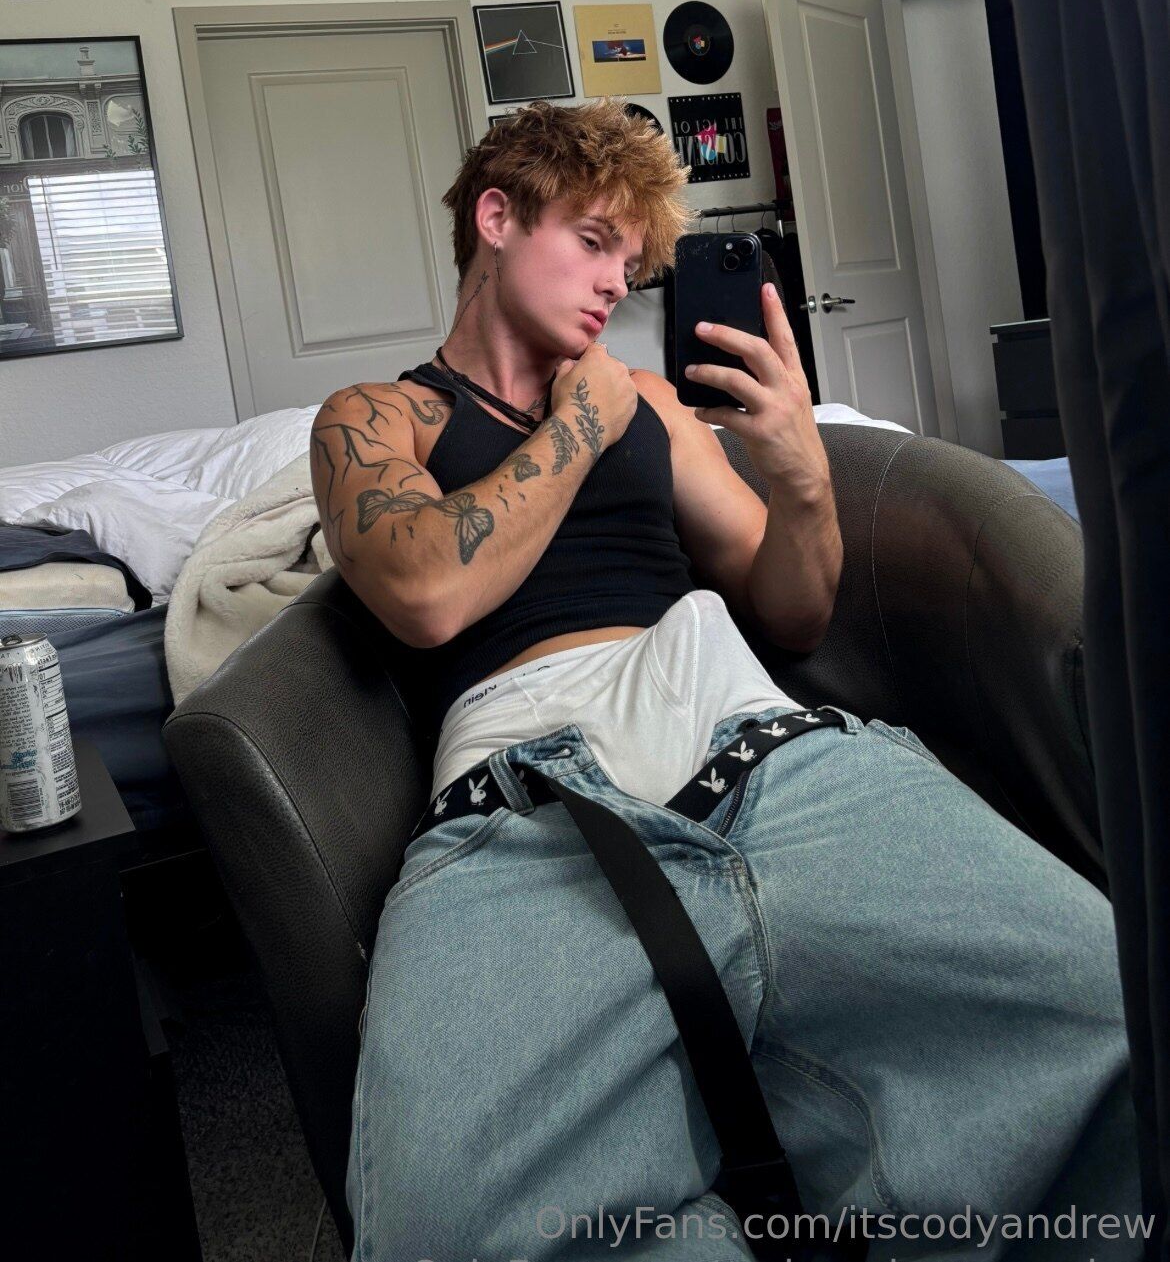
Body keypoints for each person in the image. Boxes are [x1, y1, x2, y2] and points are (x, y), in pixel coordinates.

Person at [309, 98, 1144, 1260]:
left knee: (1112, 1020)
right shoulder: (378, 416)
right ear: (496, 218)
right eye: (593, 242)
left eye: (631, 263)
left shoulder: (653, 407)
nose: (616, 284)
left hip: (754, 736)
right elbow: (423, 589)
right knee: (453, 1221)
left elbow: (792, 606)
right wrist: (576, 427)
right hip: (522, 798)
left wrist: (801, 483)